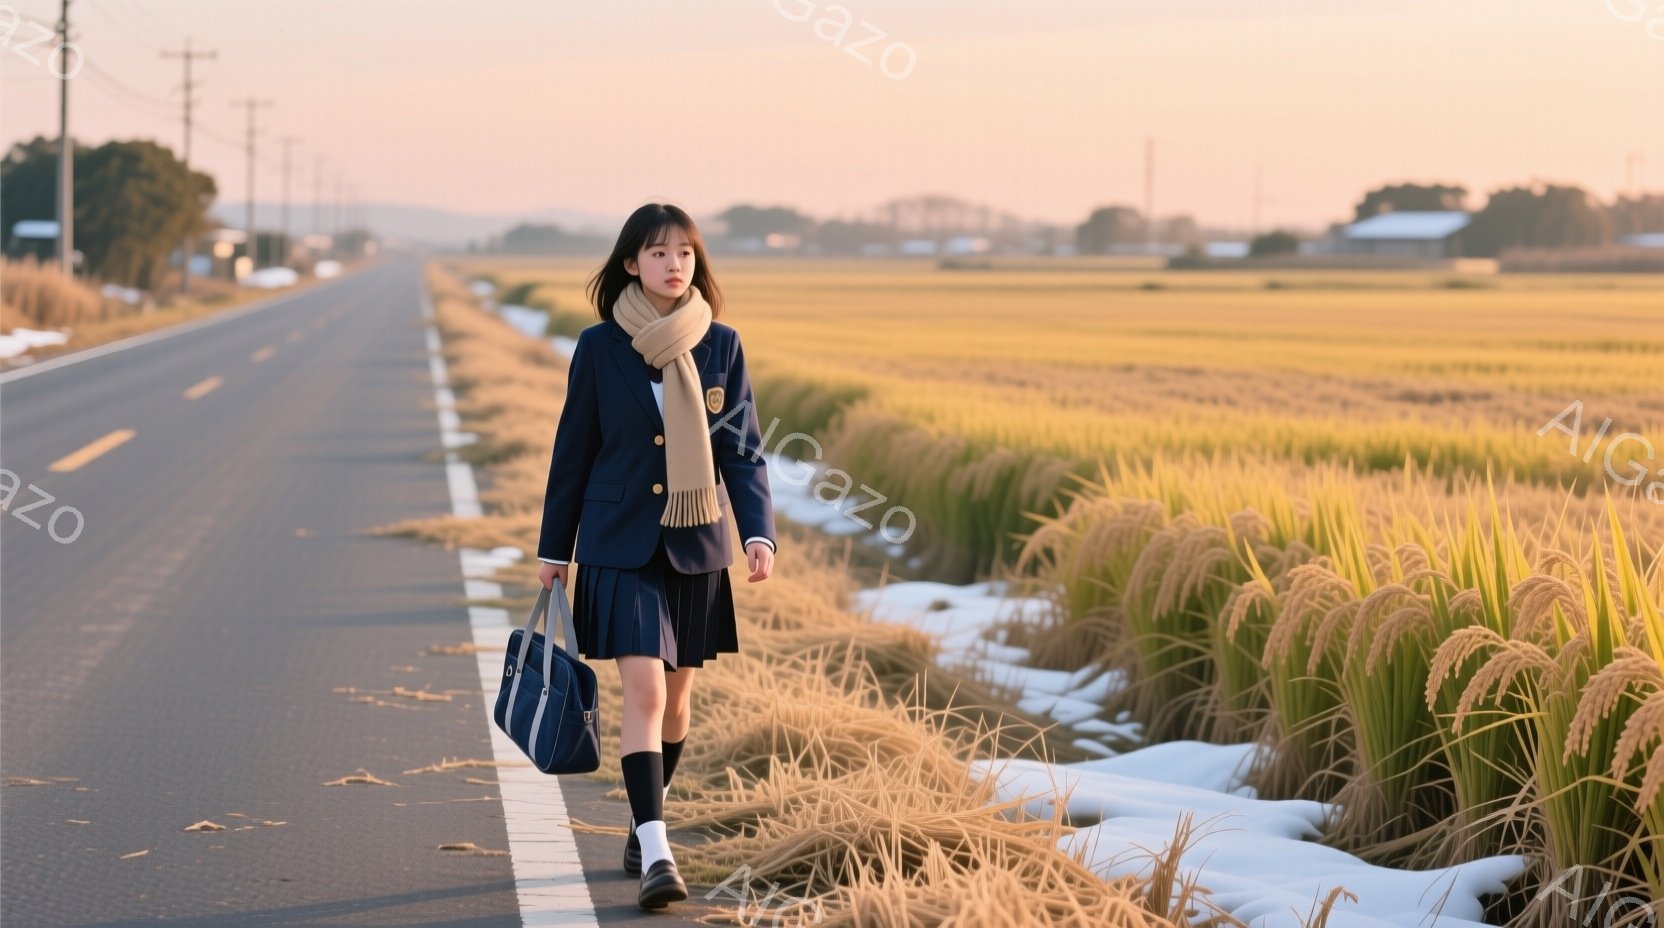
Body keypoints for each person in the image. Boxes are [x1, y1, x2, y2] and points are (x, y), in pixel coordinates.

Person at [535, 202, 777, 910]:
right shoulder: (599, 347)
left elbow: (742, 449)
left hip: (696, 545)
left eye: (686, 254)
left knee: (677, 702)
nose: (674, 264)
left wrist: (757, 532)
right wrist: (556, 548)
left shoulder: (721, 346)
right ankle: (659, 853)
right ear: (630, 263)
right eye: (658, 252)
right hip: (618, 544)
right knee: (641, 691)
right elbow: (572, 452)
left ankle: (645, 819)